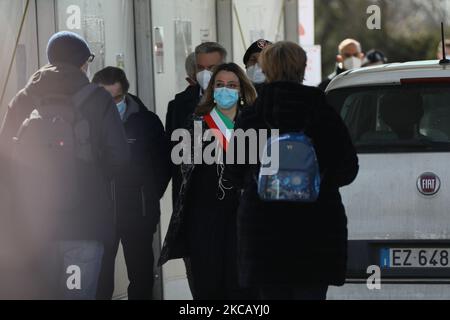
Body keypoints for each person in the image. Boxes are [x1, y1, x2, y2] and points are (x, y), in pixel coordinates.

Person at [0, 31, 129, 299]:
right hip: (84, 225)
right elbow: (120, 157)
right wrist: (93, 176)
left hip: (34, 230)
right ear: (82, 63)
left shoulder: (23, 99)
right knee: (75, 293)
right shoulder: (97, 99)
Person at [227, 41, 359, 300]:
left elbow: (233, 171)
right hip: (315, 232)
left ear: (266, 69)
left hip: (263, 232)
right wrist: (318, 181)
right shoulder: (323, 112)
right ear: (302, 68)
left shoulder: (252, 115)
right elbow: (348, 169)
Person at [159, 63, 257, 300]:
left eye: (232, 85)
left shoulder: (255, 123)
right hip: (203, 218)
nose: (225, 90)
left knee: (240, 287)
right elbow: (182, 173)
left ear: (242, 90)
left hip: (243, 218)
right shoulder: (195, 125)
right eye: (220, 85)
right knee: (207, 286)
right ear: (212, 90)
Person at [92, 67, 170, 300]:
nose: (111, 104)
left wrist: (149, 194)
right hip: (101, 214)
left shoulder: (146, 122)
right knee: (100, 279)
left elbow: (163, 164)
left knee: (142, 277)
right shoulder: (87, 122)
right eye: (104, 98)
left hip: (139, 212)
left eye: (116, 98)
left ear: (125, 93)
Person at [166, 42, 227, 206]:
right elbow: (170, 153)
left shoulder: (241, 102)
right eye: (201, 68)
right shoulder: (178, 105)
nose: (206, 73)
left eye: (212, 68)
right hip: (189, 198)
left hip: (226, 196)